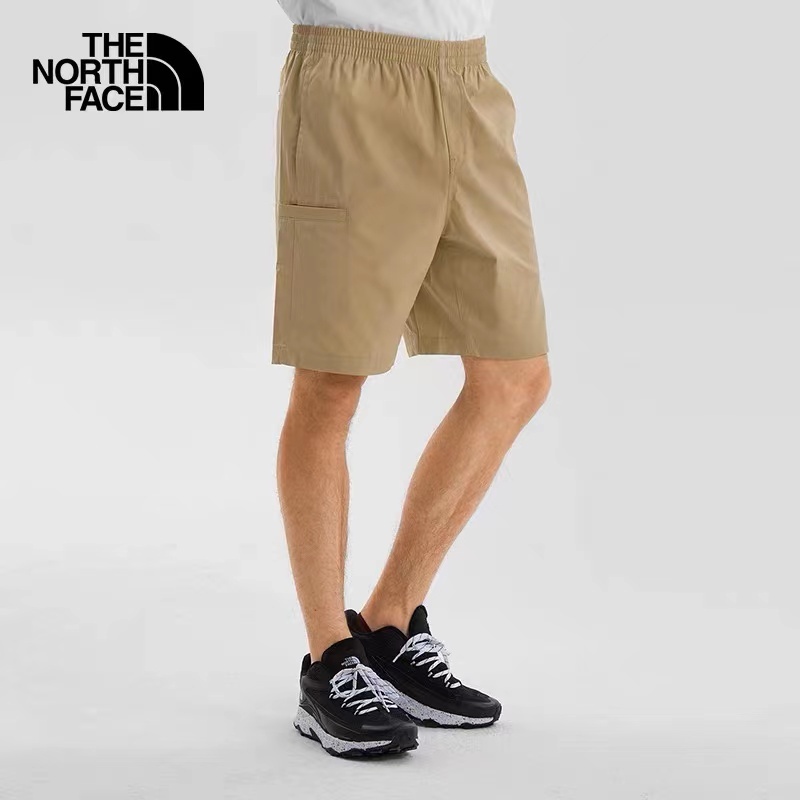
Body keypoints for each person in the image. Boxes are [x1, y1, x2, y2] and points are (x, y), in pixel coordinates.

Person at [273, 0, 550, 758]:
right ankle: (329, 660)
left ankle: (388, 624)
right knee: (332, 383)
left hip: (470, 80)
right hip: (353, 77)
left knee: (516, 377)